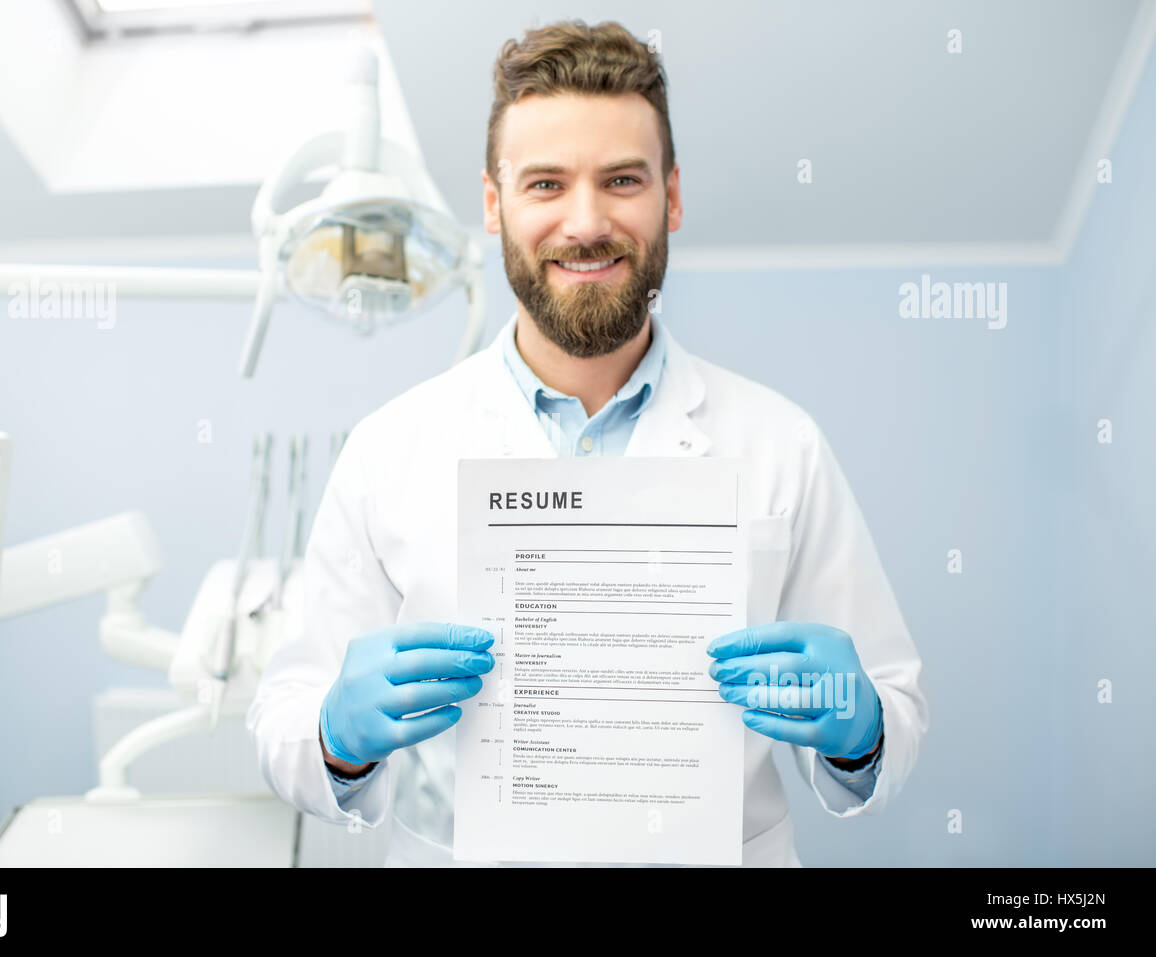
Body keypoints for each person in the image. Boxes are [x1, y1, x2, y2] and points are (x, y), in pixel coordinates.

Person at [247, 19, 927, 867]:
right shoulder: (390, 450)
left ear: (670, 197)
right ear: (494, 206)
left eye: (622, 180)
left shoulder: (781, 444)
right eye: (545, 184)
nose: (586, 221)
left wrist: (860, 731)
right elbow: (282, 722)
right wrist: (336, 736)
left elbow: (896, 713)